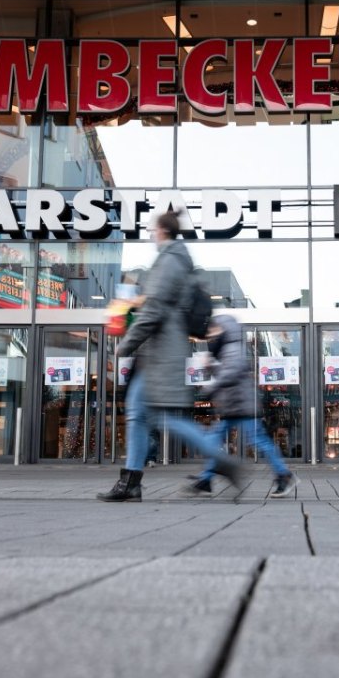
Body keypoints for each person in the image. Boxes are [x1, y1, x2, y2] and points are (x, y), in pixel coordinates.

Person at [98, 208, 237, 502]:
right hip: (157, 354)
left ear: (162, 231)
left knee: (159, 417)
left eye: (153, 229)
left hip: (160, 355)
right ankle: (130, 483)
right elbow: (156, 305)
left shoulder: (170, 260)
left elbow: (155, 311)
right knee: (139, 415)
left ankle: (219, 460)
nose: (151, 234)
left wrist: (125, 346)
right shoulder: (174, 260)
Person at [186, 314, 298, 497]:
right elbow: (226, 372)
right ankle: (206, 479)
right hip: (232, 406)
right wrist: (211, 366)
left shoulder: (232, 349)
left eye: (214, 331)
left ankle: (284, 475)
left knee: (258, 440)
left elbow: (231, 372)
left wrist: (209, 386)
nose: (211, 336)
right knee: (214, 439)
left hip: (242, 406)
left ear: (224, 330)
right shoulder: (224, 350)